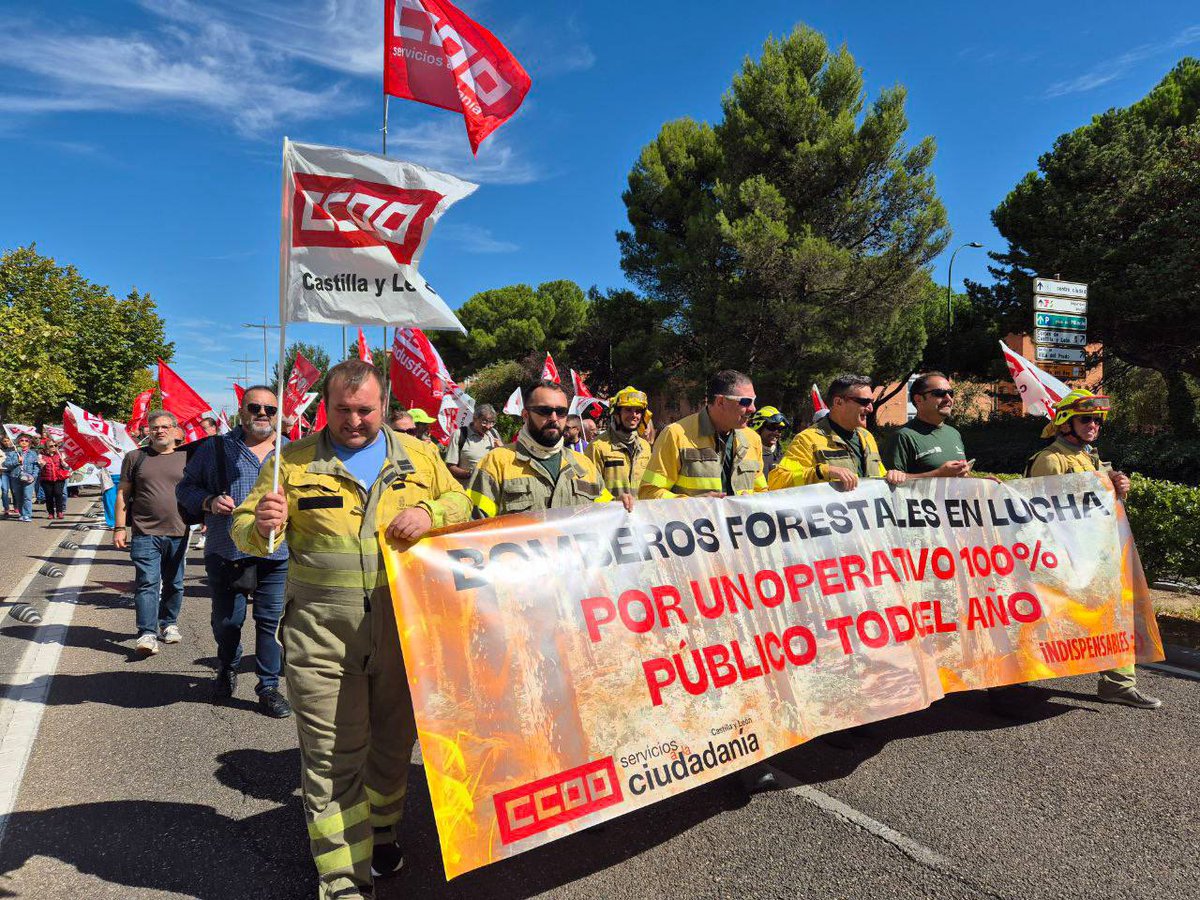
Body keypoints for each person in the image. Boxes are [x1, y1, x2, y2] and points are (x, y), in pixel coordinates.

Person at [232, 359, 471, 900]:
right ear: (325, 406)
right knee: (332, 757)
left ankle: (382, 832)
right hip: (322, 639)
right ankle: (342, 881)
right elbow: (242, 529)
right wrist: (262, 525)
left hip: (405, 633)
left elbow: (464, 500)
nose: (354, 420)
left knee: (391, 750)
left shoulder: (420, 456)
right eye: (342, 409)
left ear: (383, 405)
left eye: (365, 409)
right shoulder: (289, 463)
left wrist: (433, 510)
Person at [1024, 389, 1160, 710]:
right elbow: (1033, 512)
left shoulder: (1092, 457)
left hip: (1097, 557)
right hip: (1060, 559)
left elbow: (1103, 507)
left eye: (1097, 420)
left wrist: (1119, 487)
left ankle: (1118, 685)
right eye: (1086, 419)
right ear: (1065, 422)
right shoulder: (1050, 460)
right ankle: (1008, 681)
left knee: (1116, 615)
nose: (1094, 425)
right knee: (1036, 620)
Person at [178, 386, 291, 718]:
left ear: (278, 415)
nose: (262, 414)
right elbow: (184, 488)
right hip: (227, 549)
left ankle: (268, 686)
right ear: (242, 410)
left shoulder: (291, 452)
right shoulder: (214, 449)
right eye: (255, 407)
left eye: (270, 410)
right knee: (228, 621)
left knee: (270, 623)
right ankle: (227, 662)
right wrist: (209, 501)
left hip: (276, 551)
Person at [467, 380, 618, 517]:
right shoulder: (496, 462)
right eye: (544, 411)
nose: (554, 418)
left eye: (561, 412)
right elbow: (474, 529)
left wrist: (621, 507)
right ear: (525, 414)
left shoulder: (584, 465)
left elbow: (606, 518)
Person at [114, 411, 189, 656]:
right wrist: (119, 527)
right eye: (154, 427)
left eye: (165, 426)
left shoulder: (187, 457)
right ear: (148, 430)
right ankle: (147, 632)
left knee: (175, 583)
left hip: (179, 530)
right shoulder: (135, 457)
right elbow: (123, 493)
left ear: (176, 430)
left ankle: (168, 623)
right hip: (144, 530)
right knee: (147, 582)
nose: (159, 431)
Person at [639, 369, 767, 499]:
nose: (753, 409)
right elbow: (649, 492)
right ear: (720, 402)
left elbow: (762, 492)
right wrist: (694, 505)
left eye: (754, 401)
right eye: (745, 402)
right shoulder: (675, 434)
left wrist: (753, 500)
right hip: (693, 519)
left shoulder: (753, 439)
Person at [768, 374, 907, 491]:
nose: (870, 408)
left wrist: (891, 475)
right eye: (864, 401)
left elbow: (877, 474)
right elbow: (778, 481)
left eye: (871, 401)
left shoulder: (867, 437)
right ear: (838, 402)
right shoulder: (807, 439)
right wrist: (823, 471)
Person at [887, 373, 973, 479]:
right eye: (939, 393)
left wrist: (984, 483)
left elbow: (961, 477)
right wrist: (938, 474)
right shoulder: (903, 436)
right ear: (919, 399)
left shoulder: (954, 434)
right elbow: (889, 483)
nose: (948, 398)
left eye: (951, 393)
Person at [588, 386, 652, 501]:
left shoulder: (645, 446)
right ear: (617, 413)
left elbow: (650, 481)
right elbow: (589, 487)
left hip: (641, 515)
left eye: (638, 411)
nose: (634, 415)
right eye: (628, 410)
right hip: (611, 515)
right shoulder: (598, 446)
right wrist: (615, 502)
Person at [443, 403, 501, 484]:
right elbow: (450, 466)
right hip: (467, 490)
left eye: (492, 422)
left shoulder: (494, 433)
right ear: (474, 419)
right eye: (484, 422)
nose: (488, 426)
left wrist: (502, 449)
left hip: (489, 491)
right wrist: (471, 475)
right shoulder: (460, 434)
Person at [4, 434, 41, 522]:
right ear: (18, 442)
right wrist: (18, 461)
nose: (24, 442)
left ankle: (27, 515)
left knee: (27, 497)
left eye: (26, 440)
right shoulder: (12, 453)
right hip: (15, 477)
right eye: (22, 440)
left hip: (29, 478)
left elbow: (36, 466)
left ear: (29, 443)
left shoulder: (33, 453)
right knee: (19, 497)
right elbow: (7, 464)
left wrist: (34, 476)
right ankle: (21, 513)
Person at [750, 406, 790, 477]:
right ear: (758, 428)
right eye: (772, 427)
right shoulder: (747, 455)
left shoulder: (782, 457)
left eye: (780, 429)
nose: (776, 432)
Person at [38, 439, 72, 521]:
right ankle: (51, 513)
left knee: (58, 494)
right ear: (46, 448)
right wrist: (42, 464)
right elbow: (40, 467)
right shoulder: (41, 456)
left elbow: (67, 466)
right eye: (51, 446)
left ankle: (59, 511)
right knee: (49, 496)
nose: (54, 447)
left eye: (55, 445)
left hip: (59, 478)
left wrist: (64, 463)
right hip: (46, 479)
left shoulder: (60, 454)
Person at [1, 435, 15, 517]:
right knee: (5, 490)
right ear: (2, 442)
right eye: (4, 441)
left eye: (8, 440)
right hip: (4, 472)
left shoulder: (14, 449)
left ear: (10, 441)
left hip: (13, 472)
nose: (6, 442)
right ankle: (6, 508)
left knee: (14, 490)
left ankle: (16, 506)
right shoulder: (0, 450)